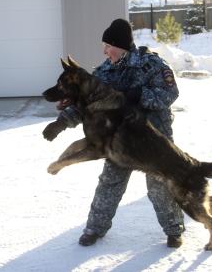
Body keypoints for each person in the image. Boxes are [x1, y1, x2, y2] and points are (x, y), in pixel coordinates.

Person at [43, 18, 185, 247]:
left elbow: (170, 93)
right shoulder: (103, 72)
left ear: (120, 45)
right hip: (119, 140)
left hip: (153, 141)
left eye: (108, 46)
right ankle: (94, 229)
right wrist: (61, 122)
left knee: (160, 186)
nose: (105, 51)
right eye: (104, 47)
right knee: (110, 182)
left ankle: (174, 229)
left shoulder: (151, 64)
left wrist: (139, 95)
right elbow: (84, 103)